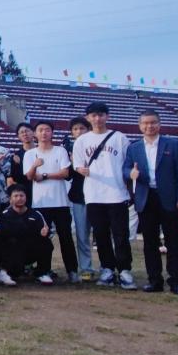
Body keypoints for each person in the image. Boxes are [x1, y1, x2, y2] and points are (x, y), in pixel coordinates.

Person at [124, 109, 178, 295]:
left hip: (169, 198)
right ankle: (154, 280)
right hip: (146, 198)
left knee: (173, 240)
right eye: (145, 123)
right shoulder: (134, 147)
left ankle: (176, 280)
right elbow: (125, 169)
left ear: (159, 124)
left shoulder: (173, 144)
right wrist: (130, 173)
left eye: (153, 122)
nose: (149, 126)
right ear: (140, 126)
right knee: (150, 241)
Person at [72, 101, 134, 289]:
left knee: (121, 235)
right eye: (93, 115)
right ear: (88, 118)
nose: (97, 119)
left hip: (117, 193)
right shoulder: (82, 140)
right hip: (94, 195)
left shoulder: (119, 138)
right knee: (100, 235)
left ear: (107, 116)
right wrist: (80, 169)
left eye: (101, 115)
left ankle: (124, 270)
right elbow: (77, 164)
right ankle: (107, 268)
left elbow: (128, 163)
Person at [24, 120, 80, 284]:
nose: (44, 133)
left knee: (66, 238)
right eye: (40, 130)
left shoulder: (60, 151)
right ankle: (43, 270)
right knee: (42, 238)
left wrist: (45, 175)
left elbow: (65, 173)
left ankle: (72, 270)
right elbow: (29, 177)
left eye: (47, 130)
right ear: (35, 134)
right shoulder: (30, 154)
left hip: (61, 202)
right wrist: (35, 166)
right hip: (40, 203)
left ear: (52, 133)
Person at [0, 184, 55, 286]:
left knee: (46, 242)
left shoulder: (35, 214)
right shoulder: (3, 215)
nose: (19, 198)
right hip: (12, 252)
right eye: (16, 196)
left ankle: (42, 273)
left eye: (21, 195)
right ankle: (3, 271)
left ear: (26, 197)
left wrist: (45, 232)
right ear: (10, 199)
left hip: (30, 250)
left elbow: (46, 229)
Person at [67, 117, 96, 281]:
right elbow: (68, 175)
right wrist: (72, 163)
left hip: (101, 196)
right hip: (80, 197)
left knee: (103, 234)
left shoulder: (97, 145)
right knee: (82, 235)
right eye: (75, 129)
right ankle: (86, 268)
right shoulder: (68, 149)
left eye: (82, 128)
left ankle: (108, 267)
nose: (79, 132)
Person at [7, 122, 36, 204]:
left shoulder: (41, 152)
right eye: (22, 132)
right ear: (18, 136)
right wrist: (18, 165)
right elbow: (16, 179)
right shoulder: (16, 156)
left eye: (27, 131)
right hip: (27, 193)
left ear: (33, 133)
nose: (25, 134)